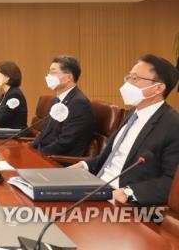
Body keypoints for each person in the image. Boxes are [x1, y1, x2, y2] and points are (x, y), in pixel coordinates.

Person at [70, 54, 179, 206]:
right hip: (96, 187)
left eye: (135, 78)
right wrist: (84, 165)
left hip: (123, 202)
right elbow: (111, 158)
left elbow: (172, 182)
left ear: (158, 88)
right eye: (128, 77)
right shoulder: (132, 114)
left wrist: (128, 192)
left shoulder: (173, 125)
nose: (128, 83)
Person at [31, 55, 93, 156]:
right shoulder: (58, 99)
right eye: (49, 72)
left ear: (68, 77)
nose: (48, 76)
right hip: (46, 153)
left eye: (53, 72)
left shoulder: (79, 103)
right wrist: (30, 149)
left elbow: (65, 142)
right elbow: (45, 133)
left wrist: (38, 155)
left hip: (60, 160)